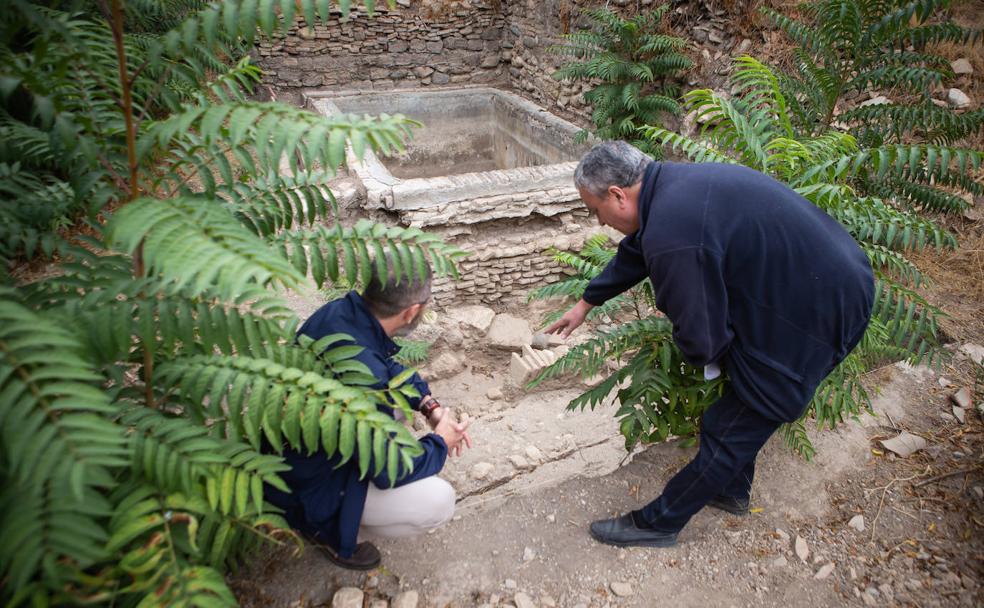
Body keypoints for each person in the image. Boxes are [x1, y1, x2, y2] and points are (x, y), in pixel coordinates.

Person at [547, 141, 874, 547]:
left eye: (595, 211)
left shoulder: (671, 232)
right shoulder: (670, 190)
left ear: (617, 195)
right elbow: (638, 250)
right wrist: (586, 303)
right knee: (738, 404)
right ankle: (730, 489)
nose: (598, 223)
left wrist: (711, 356)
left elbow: (700, 333)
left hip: (820, 309)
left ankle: (659, 523)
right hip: (826, 278)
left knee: (733, 423)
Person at [266, 262, 472, 569]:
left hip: (283, 454)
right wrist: (440, 441)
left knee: (394, 413)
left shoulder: (338, 314)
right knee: (439, 500)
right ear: (411, 312)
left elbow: (383, 365)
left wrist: (429, 406)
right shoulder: (366, 380)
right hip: (306, 485)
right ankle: (328, 530)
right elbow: (390, 470)